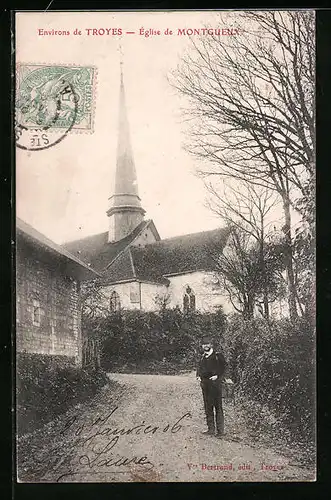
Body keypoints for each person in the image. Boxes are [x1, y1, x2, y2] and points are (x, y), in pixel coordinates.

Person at [196, 335, 227, 438]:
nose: (205, 346)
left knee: (218, 408)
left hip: (216, 386)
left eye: (207, 344)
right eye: (203, 344)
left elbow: (224, 369)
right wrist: (198, 376)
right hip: (205, 386)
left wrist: (217, 376)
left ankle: (220, 431)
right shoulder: (202, 357)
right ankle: (211, 429)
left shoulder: (218, 356)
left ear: (211, 344)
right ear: (202, 346)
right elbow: (199, 369)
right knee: (208, 407)